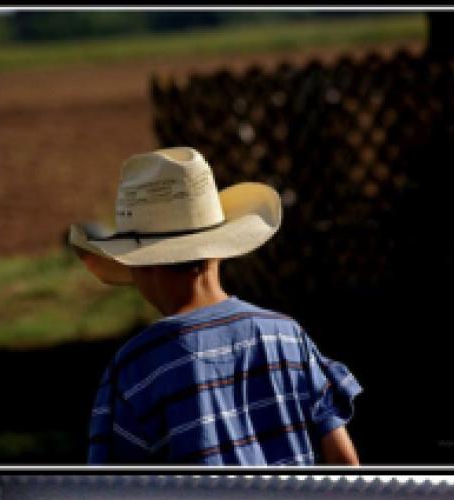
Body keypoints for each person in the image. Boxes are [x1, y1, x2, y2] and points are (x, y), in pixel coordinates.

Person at [70, 147, 361, 465]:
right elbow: (344, 460)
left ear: (139, 265)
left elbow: (112, 493)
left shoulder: (135, 369)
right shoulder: (288, 336)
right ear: (218, 247)